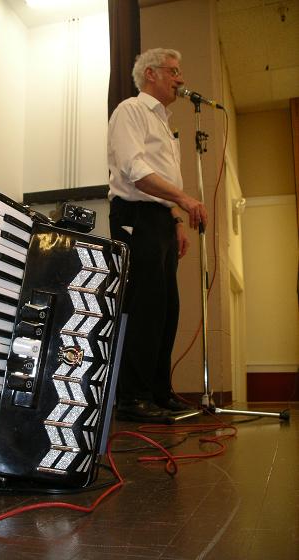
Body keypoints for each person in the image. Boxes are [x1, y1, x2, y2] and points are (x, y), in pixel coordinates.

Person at [108, 47, 208, 422]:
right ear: (151, 74)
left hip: (161, 218)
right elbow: (135, 170)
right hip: (135, 214)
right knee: (145, 305)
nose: (181, 79)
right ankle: (132, 397)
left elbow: (165, 176)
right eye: (174, 71)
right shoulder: (130, 111)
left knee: (167, 308)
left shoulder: (165, 123)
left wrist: (176, 221)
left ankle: (159, 392)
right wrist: (183, 199)